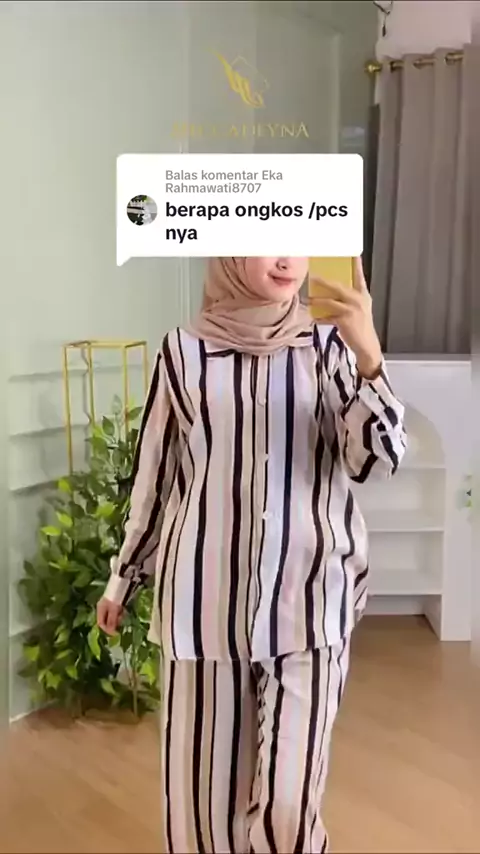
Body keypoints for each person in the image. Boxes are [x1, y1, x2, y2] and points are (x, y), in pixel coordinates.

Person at [97, 257, 406, 854]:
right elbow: (157, 479)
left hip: (311, 607)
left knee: (288, 812)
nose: (287, 259)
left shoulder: (328, 345)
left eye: (296, 238)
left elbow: (376, 461)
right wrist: (124, 577)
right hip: (204, 611)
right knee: (203, 815)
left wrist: (370, 357)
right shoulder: (182, 354)